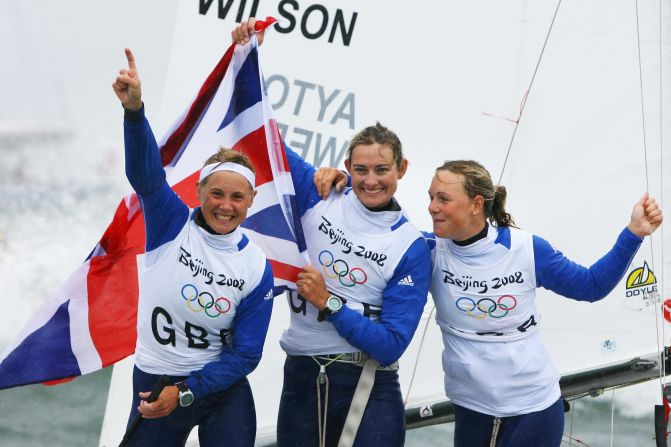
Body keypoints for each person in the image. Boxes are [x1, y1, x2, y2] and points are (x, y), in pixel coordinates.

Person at [314, 159, 663, 446]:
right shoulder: (427, 252)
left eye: (443, 199)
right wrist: (345, 185)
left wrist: (633, 233)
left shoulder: (526, 249)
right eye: (430, 197)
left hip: (534, 409)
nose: (432, 208)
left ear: (477, 205)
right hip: (471, 408)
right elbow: (370, 235)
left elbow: (591, 286)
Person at [232, 21, 432, 447]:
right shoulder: (318, 191)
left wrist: (329, 302)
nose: (371, 180)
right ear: (347, 166)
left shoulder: (410, 246)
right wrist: (247, 56)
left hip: (369, 384)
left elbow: (391, 345)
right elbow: (259, 135)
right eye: (360, 169)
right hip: (302, 374)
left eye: (382, 170)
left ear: (402, 169)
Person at [112, 48, 274, 447]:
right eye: (216, 193)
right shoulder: (171, 223)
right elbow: (145, 174)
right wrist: (135, 112)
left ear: (251, 201)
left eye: (238, 197)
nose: (225, 205)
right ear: (199, 191)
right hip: (156, 378)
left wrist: (188, 391)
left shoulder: (255, 265)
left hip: (220, 389)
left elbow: (246, 355)